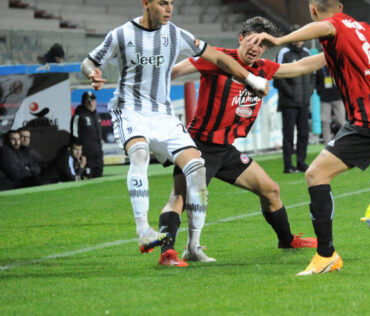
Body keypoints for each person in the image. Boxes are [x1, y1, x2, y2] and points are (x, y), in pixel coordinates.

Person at [248, 0, 370, 275]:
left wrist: (278, 38)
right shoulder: (361, 29)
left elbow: (324, 26)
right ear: (341, 5)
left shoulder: (332, 26)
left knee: (315, 175)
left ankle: (326, 255)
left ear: (312, 9)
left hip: (368, 121)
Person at [80, 0, 270, 257]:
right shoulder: (121, 35)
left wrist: (250, 78)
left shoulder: (176, 34)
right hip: (130, 110)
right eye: (162, 3)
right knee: (139, 153)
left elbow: (217, 57)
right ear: (146, 3)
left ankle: (193, 246)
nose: (169, 8)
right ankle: (143, 230)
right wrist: (92, 73)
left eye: (171, 3)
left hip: (163, 115)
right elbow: (89, 62)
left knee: (197, 169)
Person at [161, 16, 325, 267]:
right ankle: (167, 253)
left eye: (261, 45)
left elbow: (301, 67)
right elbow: (175, 72)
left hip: (226, 150)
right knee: (179, 198)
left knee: (271, 190)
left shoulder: (263, 68)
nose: (255, 48)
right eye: (251, 41)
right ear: (241, 38)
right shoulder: (216, 58)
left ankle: (286, 239)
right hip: (198, 146)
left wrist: (336, 52)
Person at [274, 24, 316, 173]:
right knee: (289, 134)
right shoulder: (284, 53)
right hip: (289, 103)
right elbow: (277, 76)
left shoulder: (307, 52)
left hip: (304, 102)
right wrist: (291, 93)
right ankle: (288, 165)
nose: (300, 40)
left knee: (304, 134)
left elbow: (312, 74)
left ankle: (301, 162)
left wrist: (309, 92)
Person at [71, 91, 104, 178]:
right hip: (86, 157)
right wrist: (80, 154)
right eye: (88, 100)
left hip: (98, 156)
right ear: (83, 102)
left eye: (92, 100)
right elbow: (74, 135)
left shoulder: (96, 115)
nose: (91, 103)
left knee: (99, 180)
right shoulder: (78, 115)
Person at [315, 65, 345, 143]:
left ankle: (345, 141)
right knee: (325, 121)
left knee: (341, 121)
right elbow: (316, 81)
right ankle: (327, 144)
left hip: (338, 97)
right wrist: (320, 92)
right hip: (325, 99)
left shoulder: (337, 66)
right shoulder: (320, 68)